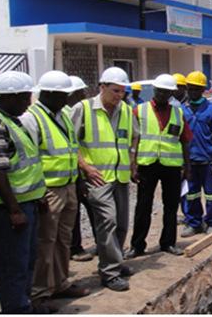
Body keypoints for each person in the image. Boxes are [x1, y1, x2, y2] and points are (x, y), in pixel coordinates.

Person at [20, 71, 90, 304]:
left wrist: (78, 181)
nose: (66, 99)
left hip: (68, 186)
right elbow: (30, 159)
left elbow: (72, 150)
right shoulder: (32, 119)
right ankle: (40, 291)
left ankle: (60, 283)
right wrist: (38, 191)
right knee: (44, 241)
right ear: (47, 94)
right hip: (48, 190)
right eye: (61, 95)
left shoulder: (62, 115)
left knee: (63, 239)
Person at [70, 67, 139, 292]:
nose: (119, 95)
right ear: (102, 87)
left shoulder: (126, 110)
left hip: (120, 175)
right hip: (97, 177)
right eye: (115, 91)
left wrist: (133, 163)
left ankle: (116, 262)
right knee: (107, 221)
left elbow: (134, 137)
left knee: (121, 223)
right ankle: (109, 273)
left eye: (122, 91)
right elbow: (70, 142)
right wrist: (85, 168)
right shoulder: (84, 108)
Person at [0, 71, 49, 313]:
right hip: (9, 208)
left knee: (26, 259)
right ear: (10, 97)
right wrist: (14, 209)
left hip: (27, 202)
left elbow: (26, 163)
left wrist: (37, 196)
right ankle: (15, 309)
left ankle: (24, 304)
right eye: (25, 97)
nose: (28, 102)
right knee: (11, 264)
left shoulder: (13, 120)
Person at [125, 74, 192, 259]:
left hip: (171, 166)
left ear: (171, 93)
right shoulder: (140, 111)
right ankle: (137, 245)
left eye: (166, 92)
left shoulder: (178, 113)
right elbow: (133, 140)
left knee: (171, 206)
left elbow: (185, 140)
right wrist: (132, 165)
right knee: (143, 206)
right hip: (147, 165)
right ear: (154, 90)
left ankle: (168, 242)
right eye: (159, 91)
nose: (162, 94)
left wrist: (187, 167)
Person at [180, 71, 212, 237]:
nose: (192, 92)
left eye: (196, 89)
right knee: (191, 194)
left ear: (202, 90)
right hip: (189, 161)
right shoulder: (182, 110)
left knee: (211, 194)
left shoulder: (211, 109)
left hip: (208, 160)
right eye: (190, 89)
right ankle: (194, 223)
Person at [66, 76, 96, 262]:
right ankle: (74, 248)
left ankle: (100, 244)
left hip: (82, 172)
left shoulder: (80, 112)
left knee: (92, 210)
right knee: (74, 213)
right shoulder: (68, 115)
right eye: (81, 92)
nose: (84, 95)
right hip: (73, 173)